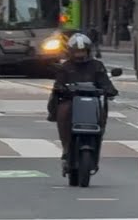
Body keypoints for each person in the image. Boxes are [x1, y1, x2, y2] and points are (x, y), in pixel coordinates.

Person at [46, 34, 117, 162]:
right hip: (71, 100)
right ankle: (66, 147)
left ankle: (97, 139)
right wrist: (60, 88)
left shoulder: (97, 66)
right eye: (77, 51)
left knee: (101, 111)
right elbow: (59, 82)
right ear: (71, 52)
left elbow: (105, 81)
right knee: (63, 110)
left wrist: (110, 90)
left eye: (83, 51)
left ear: (88, 51)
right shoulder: (66, 66)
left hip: (92, 101)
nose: (80, 54)